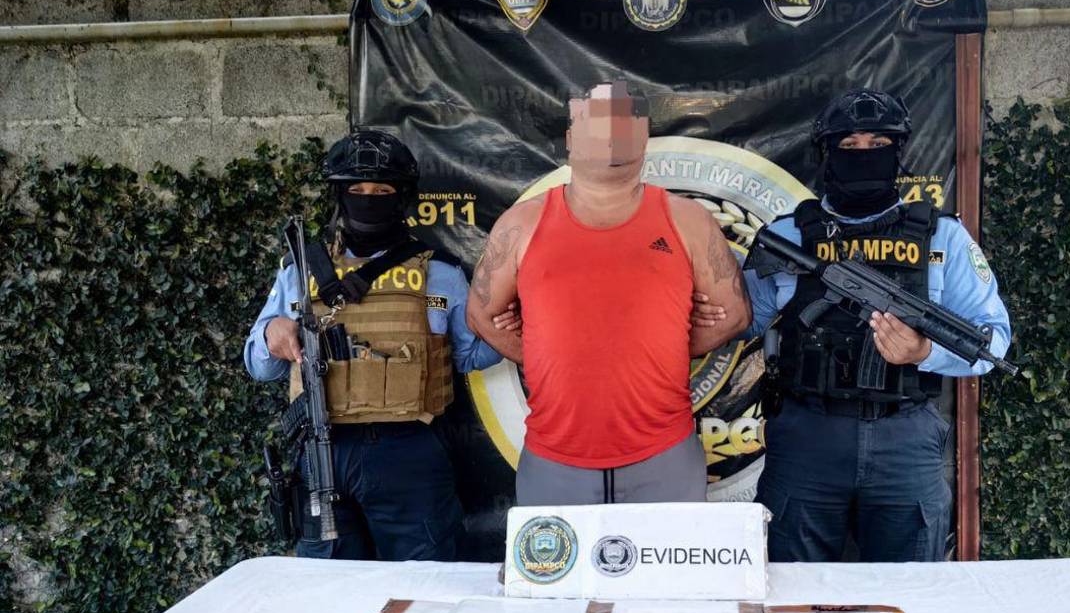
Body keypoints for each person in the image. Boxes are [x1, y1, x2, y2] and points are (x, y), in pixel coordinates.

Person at [743, 89, 1011, 563]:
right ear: (827, 154)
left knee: (909, 590)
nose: (863, 154)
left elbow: (994, 339)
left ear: (898, 152)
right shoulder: (788, 236)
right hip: (807, 434)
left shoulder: (943, 237)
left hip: (904, 438)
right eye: (848, 146)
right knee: (793, 585)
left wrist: (923, 352)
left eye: (878, 144)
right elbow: (742, 320)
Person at [466, 81, 751, 505]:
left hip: (665, 455)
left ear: (644, 137)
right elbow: (481, 315)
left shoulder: (688, 220)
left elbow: (734, 314)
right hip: (554, 457)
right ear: (570, 138)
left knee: (668, 553)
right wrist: (546, 354)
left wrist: (661, 349)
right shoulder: (521, 224)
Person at [244, 128, 502, 560]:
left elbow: (469, 356)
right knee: (328, 584)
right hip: (322, 447)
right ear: (339, 196)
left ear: (401, 198)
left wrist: (512, 331)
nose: (368, 199)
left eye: (382, 191)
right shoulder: (300, 270)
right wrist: (271, 335)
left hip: (409, 450)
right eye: (357, 190)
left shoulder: (440, 272)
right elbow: (259, 367)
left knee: (424, 581)